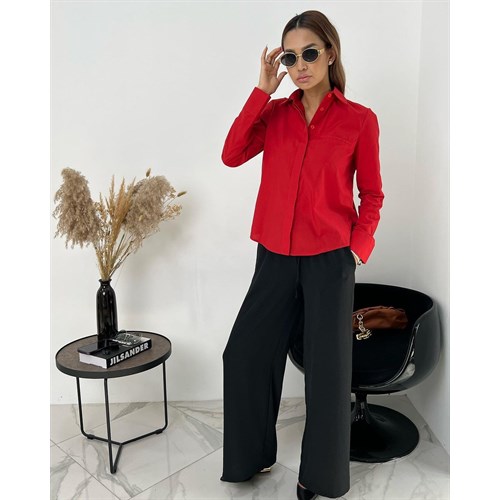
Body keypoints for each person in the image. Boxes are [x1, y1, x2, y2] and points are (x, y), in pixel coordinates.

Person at [219, 10, 384, 500]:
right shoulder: (275, 116)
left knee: (328, 372)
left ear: (330, 53)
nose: (300, 65)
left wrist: (357, 249)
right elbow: (231, 154)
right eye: (290, 58)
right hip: (274, 254)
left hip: (330, 259)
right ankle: (250, 457)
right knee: (244, 354)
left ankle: (320, 476)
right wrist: (261, 91)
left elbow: (372, 195)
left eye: (309, 53)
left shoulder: (359, 120)